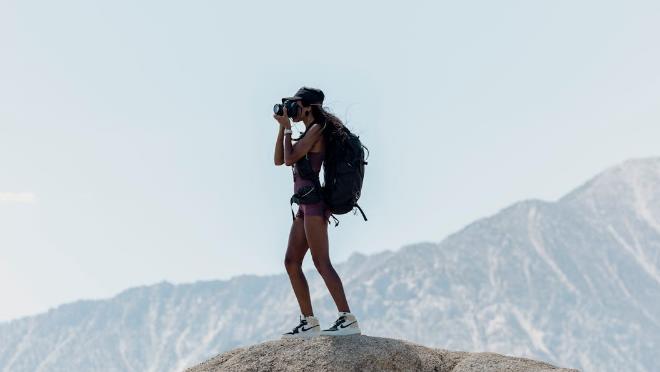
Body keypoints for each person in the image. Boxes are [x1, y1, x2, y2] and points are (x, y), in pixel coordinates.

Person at [273, 86, 362, 339]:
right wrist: (283, 127)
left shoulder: (316, 130)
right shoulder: (306, 131)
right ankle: (308, 321)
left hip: (313, 206)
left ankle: (347, 318)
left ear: (309, 107)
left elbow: (290, 159)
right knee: (291, 262)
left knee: (321, 262)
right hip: (303, 205)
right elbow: (279, 159)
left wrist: (288, 128)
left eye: (296, 105)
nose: (293, 110)